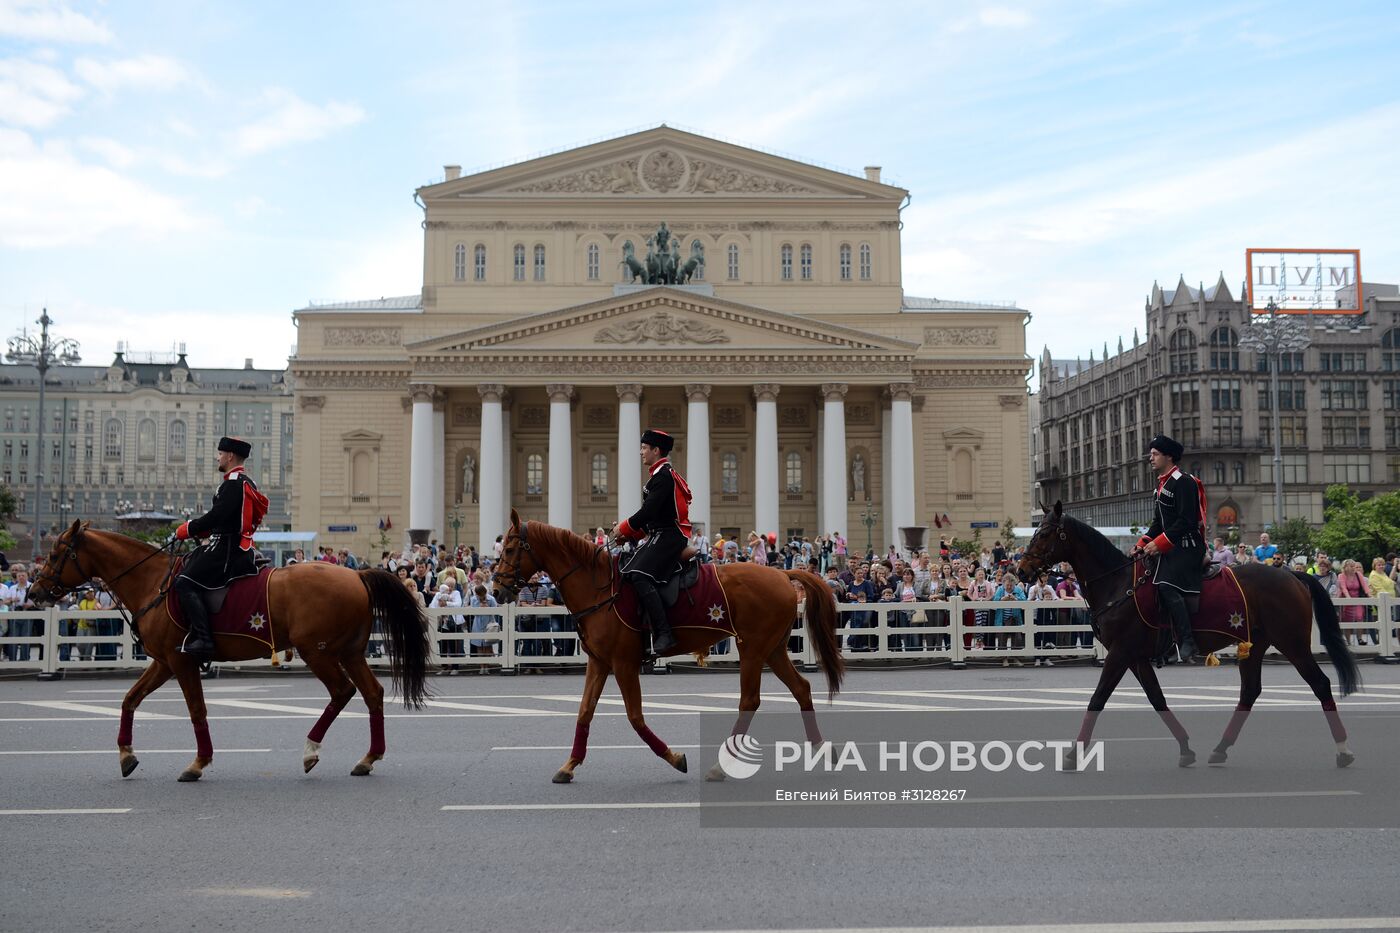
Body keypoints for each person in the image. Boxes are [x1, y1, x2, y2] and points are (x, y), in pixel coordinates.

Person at [172, 436, 269, 659]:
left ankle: (204, 639)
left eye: (220, 453)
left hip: (226, 548)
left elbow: (218, 515)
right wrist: (207, 530)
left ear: (230, 456)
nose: (218, 457)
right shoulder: (244, 481)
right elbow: (229, 518)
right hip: (228, 542)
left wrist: (189, 528)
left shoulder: (233, 482)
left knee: (184, 582)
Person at [611, 429, 691, 656]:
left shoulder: (663, 476)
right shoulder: (659, 475)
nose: (641, 452)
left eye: (644, 448)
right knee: (626, 569)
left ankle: (664, 633)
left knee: (638, 575)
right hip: (662, 532)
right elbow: (653, 519)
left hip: (670, 535)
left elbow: (648, 512)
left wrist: (623, 527)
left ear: (656, 450)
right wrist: (628, 535)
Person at [1133, 435, 1206, 664]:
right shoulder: (1161, 484)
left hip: (1188, 547)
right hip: (1171, 547)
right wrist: (1143, 543)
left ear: (1169, 456)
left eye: (1155, 454)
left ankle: (1187, 640)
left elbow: (1185, 521)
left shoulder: (1184, 482)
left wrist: (1160, 544)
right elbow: (1158, 523)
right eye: (1151, 454)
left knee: (1165, 584)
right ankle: (1162, 639)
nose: (1150, 458)